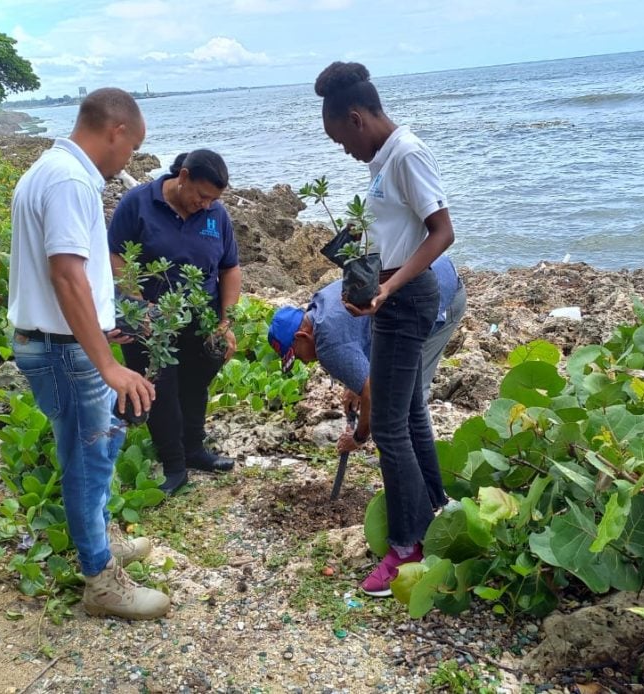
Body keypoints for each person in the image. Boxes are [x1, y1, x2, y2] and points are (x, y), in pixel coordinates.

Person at [8, 88, 169, 620]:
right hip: (64, 351)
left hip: (59, 340)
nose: (128, 162)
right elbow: (66, 273)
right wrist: (106, 363)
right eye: (132, 147)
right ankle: (101, 581)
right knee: (88, 456)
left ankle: (97, 539)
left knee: (87, 452)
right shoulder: (73, 179)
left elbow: (68, 278)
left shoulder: (48, 169)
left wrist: (103, 328)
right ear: (116, 131)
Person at [312, 61, 455, 597]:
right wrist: (356, 258)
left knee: (390, 427)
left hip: (408, 299)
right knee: (409, 411)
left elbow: (441, 233)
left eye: (340, 139)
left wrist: (388, 290)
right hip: (390, 298)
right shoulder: (382, 162)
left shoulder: (406, 153)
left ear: (356, 118)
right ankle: (437, 507)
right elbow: (393, 232)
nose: (343, 150)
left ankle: (406, 548)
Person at [108, 149, 241, 495]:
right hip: (150, 322)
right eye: (201, 195)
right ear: (182, 177)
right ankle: (174, 466)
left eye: (214, 199)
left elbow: (230, 268)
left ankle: (194, 450)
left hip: (201, 318)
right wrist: (138, 305)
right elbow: (116, 256)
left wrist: (225, 322)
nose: (206, 204)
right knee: (159, 389)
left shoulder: (217, 216)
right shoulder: (137, 204)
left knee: (196, 384)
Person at [267, 255, 466, 458]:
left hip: (440, 298)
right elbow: (358, 334)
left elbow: (373, 392)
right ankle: (414, 467)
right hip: (431, 271)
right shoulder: (320, 304)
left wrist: (358, 438)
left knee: (407, 399)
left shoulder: (327, 346)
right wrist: (355, 385)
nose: (306, 362)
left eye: (298, 356)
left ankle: (419, 467)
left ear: (302, 335)